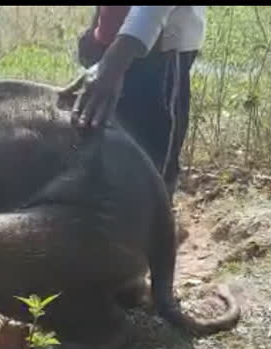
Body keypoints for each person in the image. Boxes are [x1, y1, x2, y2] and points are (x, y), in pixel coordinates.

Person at [65, 6, 206, 203]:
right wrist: (97, 32)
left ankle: (154, 225)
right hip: (114, 46)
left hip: (157, 50)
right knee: (100, 146)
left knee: (147, 162)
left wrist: (116, 61)